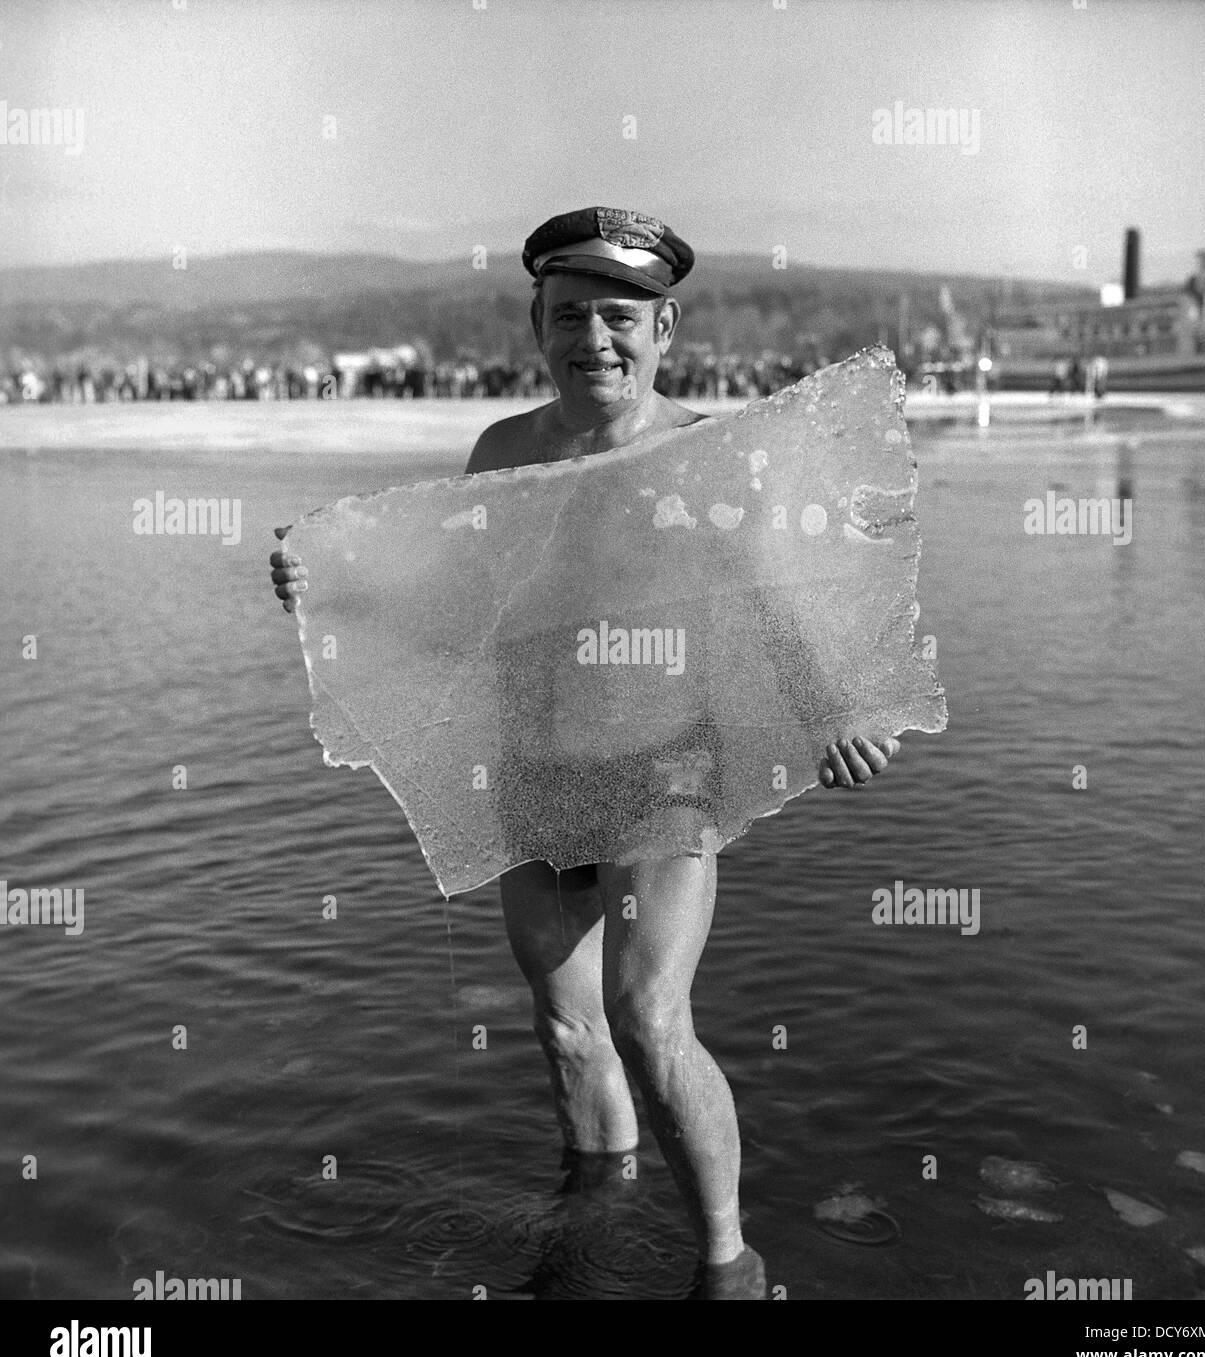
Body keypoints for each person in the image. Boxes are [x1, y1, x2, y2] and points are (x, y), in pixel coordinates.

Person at [270, 207, 900, 1299]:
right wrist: (335, 588)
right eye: (569, 317)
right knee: (567, 1029)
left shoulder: (703, 454)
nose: (593, 340)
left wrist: (828, 708)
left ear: (667, 328)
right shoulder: (503, 453)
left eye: (619, 317)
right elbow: (458, 611)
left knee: (648, 1018)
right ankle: (595, 1219)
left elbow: (769, 603)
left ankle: (726, 1263)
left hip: (664, 771)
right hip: (532, 776)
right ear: (536, 325)